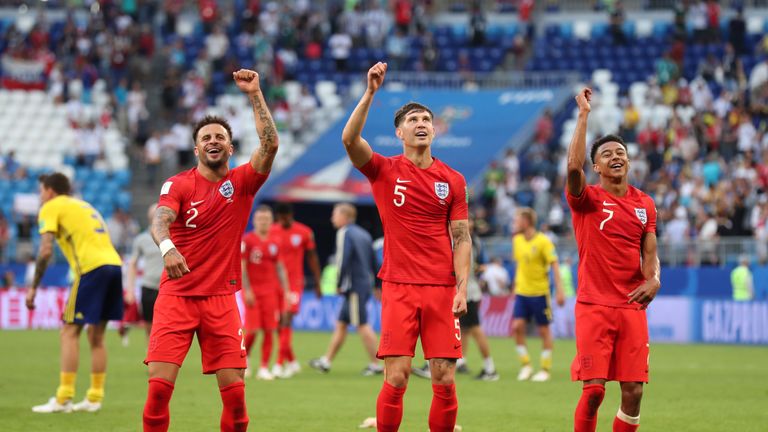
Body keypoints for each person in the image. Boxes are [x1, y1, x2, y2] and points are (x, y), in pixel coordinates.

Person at [141, 68, 279, 432]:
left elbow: (269, 146)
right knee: (157, 393)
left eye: (220, 136)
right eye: (206, 137)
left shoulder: (243, 182)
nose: (213, 140)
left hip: (222, 300)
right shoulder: (179, 184)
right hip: (177, 298)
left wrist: (254, 94)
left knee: (236, 404)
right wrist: (168, 248)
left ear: (230, 147)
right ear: (197, 147)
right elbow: (160, 222)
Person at [342, 62, 471, 432]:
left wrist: (462, 287)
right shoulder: (384, 169)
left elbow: (461, 238)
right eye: (413, 119)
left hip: (442, 289)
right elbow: (350, 141)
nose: (421, 123)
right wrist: (369, 93)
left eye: (426, 119)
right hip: (398, 286)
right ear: (399, 131)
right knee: (397, 377)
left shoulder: (453, 180)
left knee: (444, 377)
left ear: (434, 129)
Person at [566, 87, 660, 432]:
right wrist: (583, 115)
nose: (615, 157)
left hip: (631, 307)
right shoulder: (586, 200)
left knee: (633, 392)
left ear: (629, 160)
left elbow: (649, 250)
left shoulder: (645, 204)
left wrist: (654, 279)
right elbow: (573, 166)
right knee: (593, 392)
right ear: (597, 166)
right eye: (607, 154)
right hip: (594, 306)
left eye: (620, 152)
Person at [26, 173, 123, 413]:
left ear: (49, 190)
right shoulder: (84, 205)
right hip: (114, 265)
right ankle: (94, 397)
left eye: (41, 191)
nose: (40, 196)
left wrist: (33, 288)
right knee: (97, 336)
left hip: (91, 269)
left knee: (69, 331)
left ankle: (64, 397)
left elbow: (46, 251)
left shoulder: (50, 206)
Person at [412, 217, 498, 381]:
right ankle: (461, 361)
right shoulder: (471, 241)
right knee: (463, 329)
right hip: (467, 290)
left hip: (466, 292)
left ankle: (490, 368)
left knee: (474, 329)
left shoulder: (463, 242)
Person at [309, 203, 383, 376]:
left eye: (334, 214)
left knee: (362, 324)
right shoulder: (364, 234)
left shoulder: (345, 233)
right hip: (363, 285)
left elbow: (342, 260)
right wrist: (377, 285)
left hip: (353, 286)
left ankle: (377, 364)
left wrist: (339, 284)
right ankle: (326, 361)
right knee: (341, 324)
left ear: (344, 216)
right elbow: (375, 262)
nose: (332, 218)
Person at [510, 207, 565, 382]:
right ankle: (526, 365)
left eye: (517, 220)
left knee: (543, 330)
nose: (514, 223)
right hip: (521, 292)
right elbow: (521, 264)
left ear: (526, 222)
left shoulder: (544, 241)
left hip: (540, 293)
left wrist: (560, 290)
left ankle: (545, 368)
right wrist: (515, 286)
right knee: (517, 327)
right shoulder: (517, 240)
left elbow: (555, 265)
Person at [269, 202, 322, 378]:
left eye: (286, 218)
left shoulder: (304, 232)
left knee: (286, 320)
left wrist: (317, 282)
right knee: (278, 325)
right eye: (281, 218)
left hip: (293, 284)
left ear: (291, 216)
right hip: (273, 283)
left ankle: (278, 365)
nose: (283, 221)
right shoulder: (271, 231)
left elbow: (312, 257)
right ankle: (292, 362)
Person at [241, 205, 290, 381]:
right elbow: (243, 267)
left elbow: (280, 267)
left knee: (269, 329)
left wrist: (286, 291)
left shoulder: (275, 242)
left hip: (271, 292)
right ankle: (243, 362)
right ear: (254, 221)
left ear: (271, 221)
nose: (264, 222)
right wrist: (246, 290)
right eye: (260, 219)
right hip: (253, 292)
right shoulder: (247, 240)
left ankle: (263, 367)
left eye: (267, 219)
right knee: (252, 330)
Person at [125, 204, 164, 341]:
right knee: (149, 327)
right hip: (149, 287)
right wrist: (130, 290)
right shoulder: (141, 239)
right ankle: (152, 356)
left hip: (168, 287)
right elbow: (133, 264)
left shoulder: (174, 235)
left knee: (168, 326)